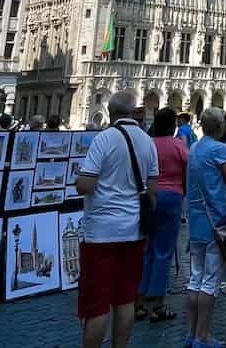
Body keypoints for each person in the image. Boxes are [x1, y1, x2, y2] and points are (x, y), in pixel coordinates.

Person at [74, 90, 160, 348]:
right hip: (133, 231)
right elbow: (152, 191)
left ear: (110, 113)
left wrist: (80, 179)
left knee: (97, 304)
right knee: (125, 299)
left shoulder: (105, 138)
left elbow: (85, 185)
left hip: (102, 233)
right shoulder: (147, 142)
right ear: (135, 113)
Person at [185, 107, 226, 348]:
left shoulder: (194, 147)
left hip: (195, 222)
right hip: (216, 222)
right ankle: (203, 335)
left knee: (195, 278)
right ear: (219, 126)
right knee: (210, 281)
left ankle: (192, 333)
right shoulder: (220, 149)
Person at [139, 108, 188, 322]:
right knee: (164, 250)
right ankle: (158, 305)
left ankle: (139, 302)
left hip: (149, 197)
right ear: (172, 126)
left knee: (147, 248)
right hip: (172, 198)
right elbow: (188, 168)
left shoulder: (147, 143)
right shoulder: (178, 145)